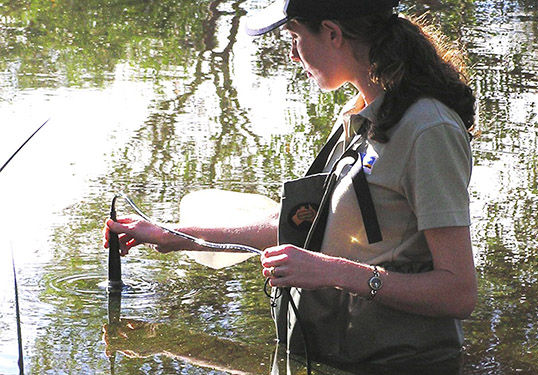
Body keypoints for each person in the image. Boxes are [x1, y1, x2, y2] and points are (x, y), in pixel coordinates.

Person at [104, 0, 477, 373]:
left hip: (401, 364)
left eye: (295, 37)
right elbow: (303, 224)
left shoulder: (429, 129)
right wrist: (172, 236)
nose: (294, 56)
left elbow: (457, 292)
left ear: (332, 33)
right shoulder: (361, 112)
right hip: (337, 356)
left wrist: (333, 272)